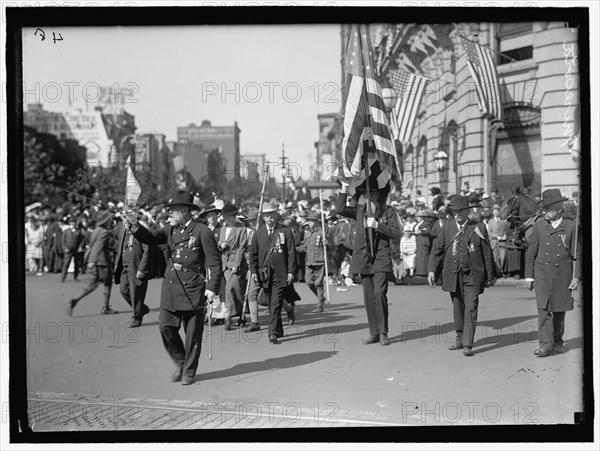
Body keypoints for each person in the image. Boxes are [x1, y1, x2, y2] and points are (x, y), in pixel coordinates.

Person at [125, 191, 222, 385]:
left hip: (193, 287)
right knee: (166, 327)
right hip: (171, 286)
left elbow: (214, 263)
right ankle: (180, 361)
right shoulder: (171, 229)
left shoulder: (202, 231)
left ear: (185, 210)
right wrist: (135, 224)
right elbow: (151, 238)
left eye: (173, 209)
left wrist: (212, 288)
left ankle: (188, 371)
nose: (169, 212)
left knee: (192, 334)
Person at [427, 195, 495, 357]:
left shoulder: (478, 227)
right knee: (458, 307)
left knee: (471, 307)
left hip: (472, 274)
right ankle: (459, 336)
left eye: (460, 211)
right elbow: (437, 250)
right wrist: (431, 270)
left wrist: (490, 275)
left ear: (467, 211)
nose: (457, 214)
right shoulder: (447, 228)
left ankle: (468, 343)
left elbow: (486, 252)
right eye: (454, 211)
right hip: (453, 274)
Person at [336, 180, 401, 346]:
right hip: (364, 258)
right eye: (366, 193)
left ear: (378, 194)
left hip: (380, 257)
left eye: (372, 193)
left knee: (379, 293)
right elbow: (340, 209)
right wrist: (344, 187)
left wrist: (379, 226)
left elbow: (396, 233)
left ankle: (383, 331)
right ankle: (374, 332)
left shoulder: (389, 211)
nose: (369, 196)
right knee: (368, 298)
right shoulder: (360, 210)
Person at [524, 189, 581, 357]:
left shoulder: (571, 226)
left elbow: (578, 255)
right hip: (542, 272)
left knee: (558, 309)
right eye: (544, 208)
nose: (545, 211)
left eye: (548, 208)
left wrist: (577, 277)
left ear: (559, 207)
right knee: (543, 309)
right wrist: (529, 276)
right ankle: (545, 345)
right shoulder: (539, 226)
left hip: (563, 273)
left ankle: (557, 341)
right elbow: (531, 252)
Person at [248, 201, 296, 344]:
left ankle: (272, 333)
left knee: (275, 302)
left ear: (276, 215)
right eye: (266, 215)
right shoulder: (258, 233)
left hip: (280, 273)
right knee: (270, 303)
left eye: (272, 214)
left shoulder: (285, 231)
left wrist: (291, 271)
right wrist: (254, 272)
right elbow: (253, 255)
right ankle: (279, 329)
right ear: (263, 217)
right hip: (264, 274)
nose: (269, 218)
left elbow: (291, 252)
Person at [67, 210, 119, 316]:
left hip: (96, 261)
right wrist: (92, 260)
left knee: (92, 285)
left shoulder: (97, 229)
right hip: (102, 262)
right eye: (109, 219)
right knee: (107, 283)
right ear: (106, 221)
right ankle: (105, 307)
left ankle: (74, 300)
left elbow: (92, 244)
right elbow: (98, 246)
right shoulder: (104, 231)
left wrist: (90, 259)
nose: (111, 221)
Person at [113, 214, 152, 328]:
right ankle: (141, 308)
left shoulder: (141, 231)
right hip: (124, 266)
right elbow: (120, 248)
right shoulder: (123, 230)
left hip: (136, 266)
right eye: (124, 218)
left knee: (136, 293)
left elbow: (147, 251)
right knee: (123, 290)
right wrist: (117, 263)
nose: (125, 220)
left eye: (127, 218)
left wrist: (142, 268)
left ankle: (136, 317)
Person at [217, 204, 248, 330]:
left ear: (234, 216)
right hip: (225, 263)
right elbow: (219, 243)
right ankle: (231, 315)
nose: (226, 219)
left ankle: (233, 314)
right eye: (225, 217)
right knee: (230, 290)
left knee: (234, 289)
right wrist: (221, 245)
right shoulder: (222, 229)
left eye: (228, 217)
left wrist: (236, 264)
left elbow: (242, 248)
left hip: (236, 263)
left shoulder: (241, 229)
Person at [298, 211, 328, 313]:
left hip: (319, 260)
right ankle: (321, 297)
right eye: (309, 221)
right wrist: (293, 248)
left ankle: (320, 305)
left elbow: (329, 245)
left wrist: (326, 243)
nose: (309, 222)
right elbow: (304, 247)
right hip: (309, 261)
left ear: (317, 221)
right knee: (309, 282)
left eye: (312, 221)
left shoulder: (322, 232)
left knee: (318, 283)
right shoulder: (307, 233)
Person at [487, 204, 510, 278]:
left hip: (502, 242)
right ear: (492, 212)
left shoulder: (503, 221)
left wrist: (505, 236)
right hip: (494, 242)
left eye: (497, 211)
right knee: (496, 258)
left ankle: (502, 271)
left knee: (503, 257)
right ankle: (499, 272)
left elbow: (507, 231)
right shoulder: (490, 221)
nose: (496, 212)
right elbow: (489, 232)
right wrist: (496, 236)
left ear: (499, 212)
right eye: (494, 211)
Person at [60, 217, 84, 282]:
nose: (73, 223)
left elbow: (82, 239)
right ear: (69, 223)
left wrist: (80, 246)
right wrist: (65, 248)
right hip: (68, 249)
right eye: (71, 222)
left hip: (76, 249)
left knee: (77, 263)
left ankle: (75, 277)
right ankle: (63, 277)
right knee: (66, 263)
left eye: (74, 222)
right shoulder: (66, 231)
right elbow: (63, 241)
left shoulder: (78, 230)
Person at [413, 210, 432, 276]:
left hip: (423, 241)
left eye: (419, 217)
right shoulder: (417, 224)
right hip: (418, 241)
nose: (417, 218)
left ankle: (423, 272)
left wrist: (420, 232)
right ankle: (419, 272)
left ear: (422, 217)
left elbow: (428, 230)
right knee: (419, 257)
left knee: (423, 257)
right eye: (417, 217)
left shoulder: (426, 223)